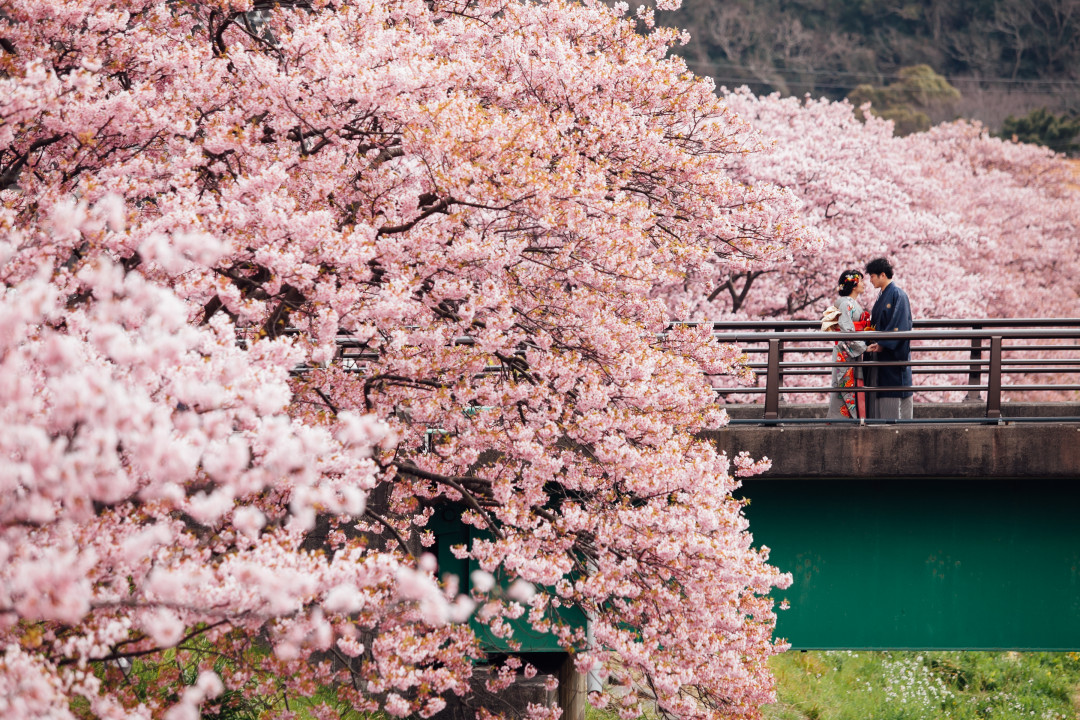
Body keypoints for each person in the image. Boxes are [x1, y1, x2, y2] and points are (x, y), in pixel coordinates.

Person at [865, 257, 913, 420]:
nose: (870, 280)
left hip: (893, 355)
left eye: (872, 276)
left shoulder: (897, 294)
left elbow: (899, 325)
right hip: (884, 353)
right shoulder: (884, 295)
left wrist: (883, 344)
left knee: (896, 397)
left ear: (882, 275)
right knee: (884, 393)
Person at [823, 269, 869, 419]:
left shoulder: (850, 303)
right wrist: (863, 347)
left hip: (849, 349)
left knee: (849, 386)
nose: (864, 284)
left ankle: (848, 420)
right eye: (861, 281)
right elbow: (846, 329)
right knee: (844, 386)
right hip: (845, 350)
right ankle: (840, 422)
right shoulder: (846, 304)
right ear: (854, 284)